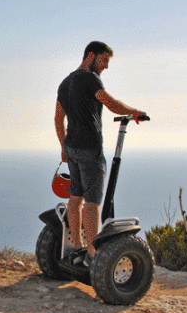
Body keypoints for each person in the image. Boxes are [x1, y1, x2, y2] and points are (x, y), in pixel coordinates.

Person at [54, 41, 146, 267]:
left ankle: (77, 249)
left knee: (75, 198)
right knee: (93, 203)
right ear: (91, 56)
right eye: (104, 60)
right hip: (89, 148)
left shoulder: (65, 83)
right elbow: (111, 103)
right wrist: (134, 112)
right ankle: (93, 256)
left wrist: (63, 147)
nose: (106, 66)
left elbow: (58, 118)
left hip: (72, 148)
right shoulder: (89, 79)